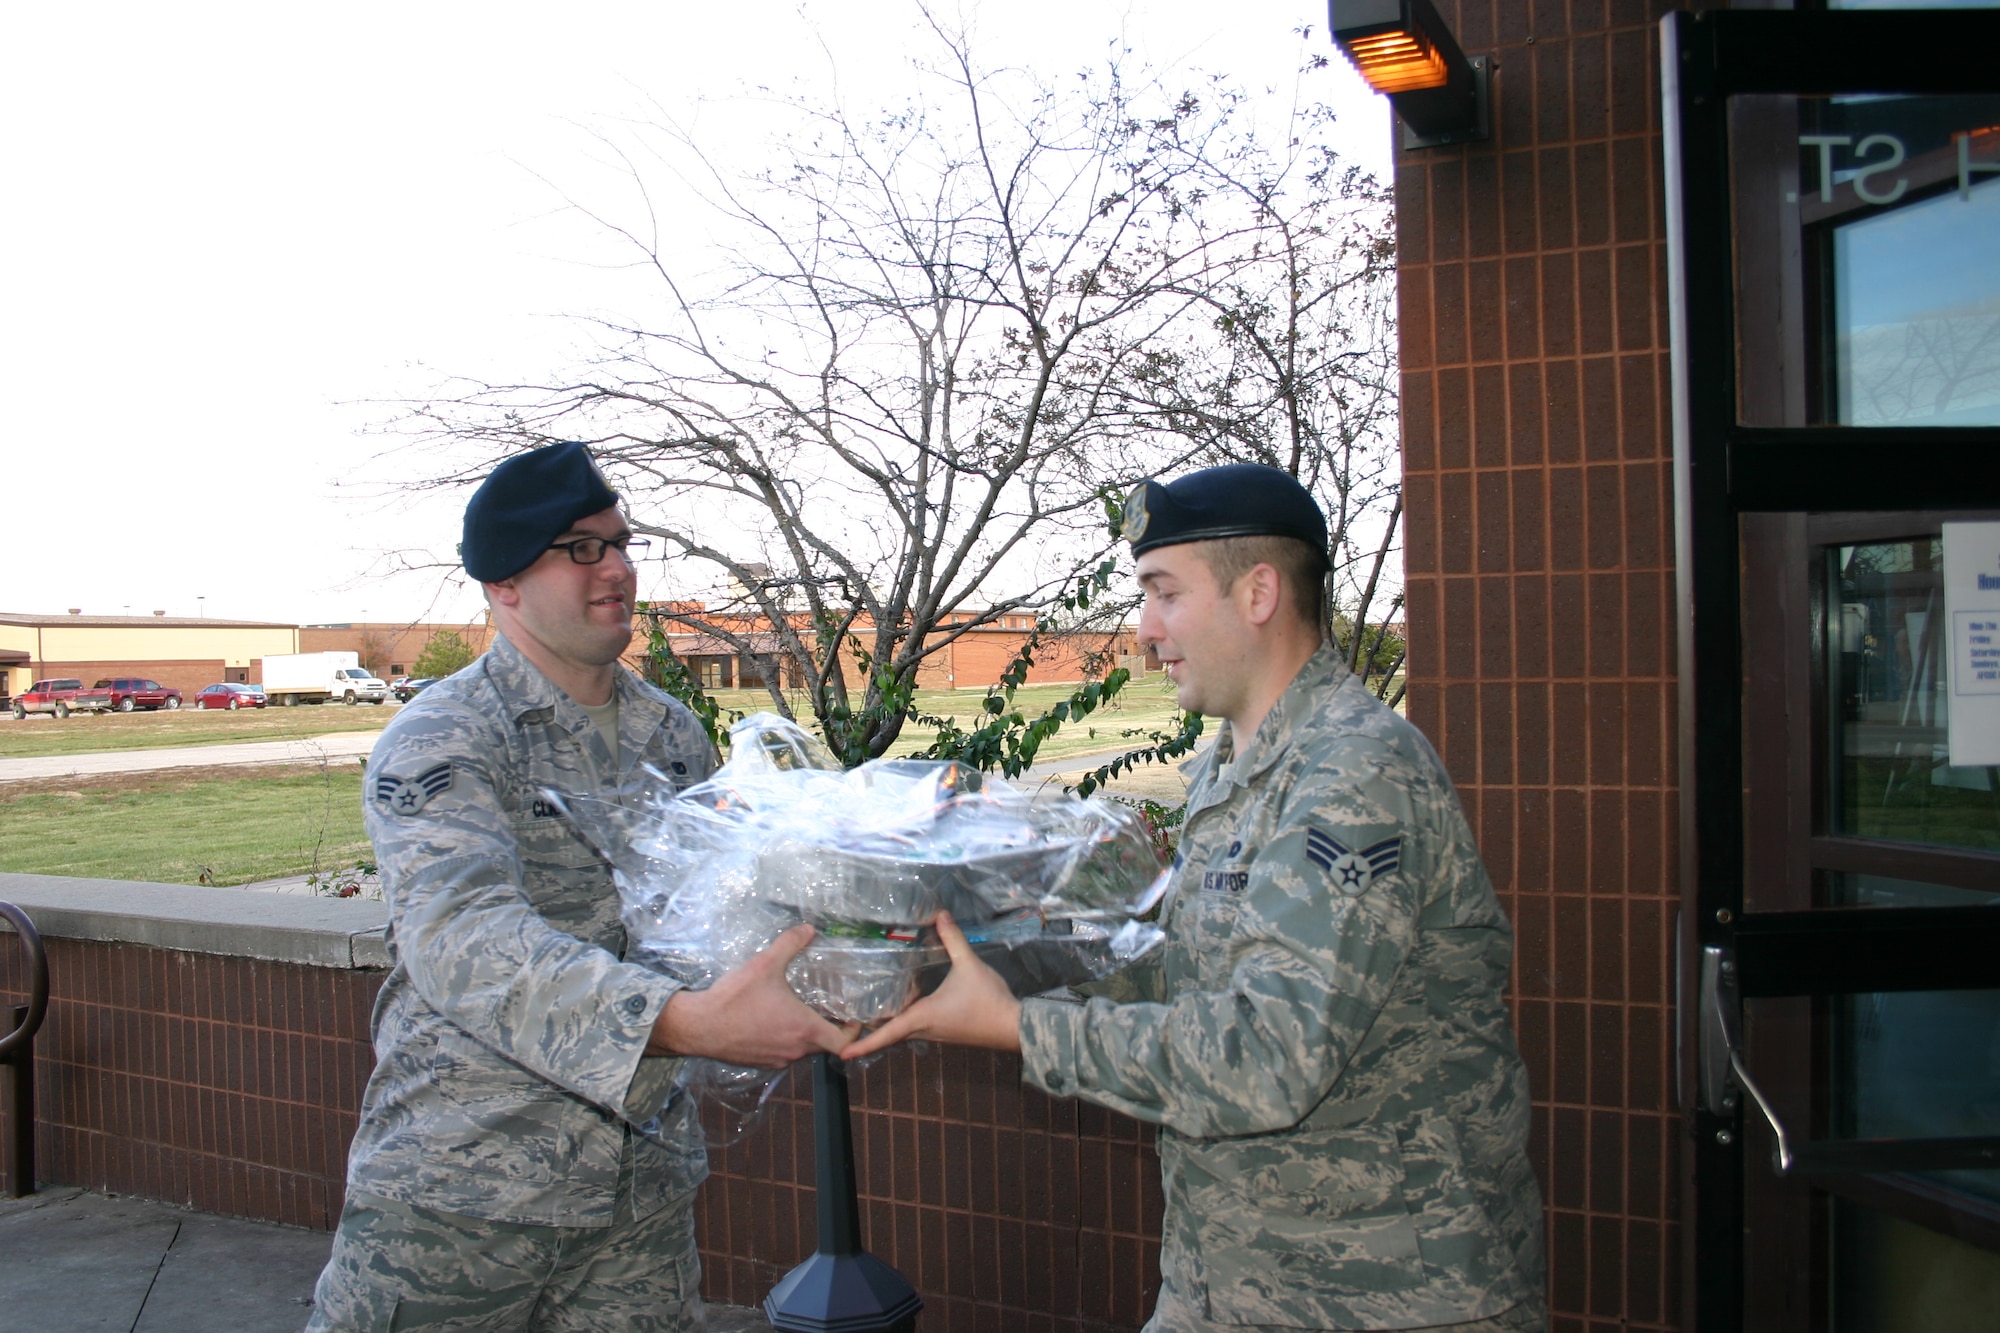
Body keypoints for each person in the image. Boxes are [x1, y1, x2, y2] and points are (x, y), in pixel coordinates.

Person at [847, 464, 1548, 1332]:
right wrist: (969, 952)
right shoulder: (1232, 764)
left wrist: (1021, 1028)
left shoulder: (1354, 774)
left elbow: (1269, 1056)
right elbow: (1181, 969)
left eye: (1164, 593)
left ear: (1258, 592)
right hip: (1229, 1277)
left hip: (1382, 1292)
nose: (1144, 630)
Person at [309, 441, 854, 1332]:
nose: (619, 569)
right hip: (462, 1194)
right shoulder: (446, 737)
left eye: (622, 542)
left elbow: (712, 911)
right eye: (581, 548)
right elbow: (462, 938)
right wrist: (682, 1023)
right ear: (504, 583)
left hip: (636, 1199)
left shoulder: (672, 732)